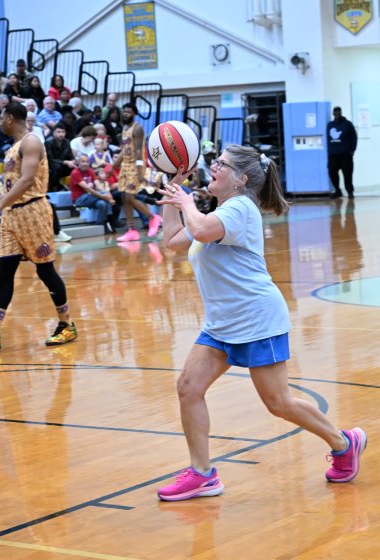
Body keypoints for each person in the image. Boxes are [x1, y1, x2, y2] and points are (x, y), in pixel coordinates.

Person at [156, 144, 366, 501]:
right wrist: (174, 199)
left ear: (240, 178)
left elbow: (203, 230)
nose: (213, 166)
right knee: (188, 388)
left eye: (220, 164)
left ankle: (344, 442)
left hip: (257, 321)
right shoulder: (220, 209)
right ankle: (202, 473)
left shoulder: (241, 209)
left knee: (278, 403)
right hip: (221, 324)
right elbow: (174, 242)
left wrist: (187, 203)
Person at [0, 102, 77, 352]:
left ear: (10, 118)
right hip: (13, 215)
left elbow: (27, 181)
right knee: (4, 270)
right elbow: (14, 184)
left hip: (33, 211)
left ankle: (66, 324)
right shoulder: (13, 147)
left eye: (1, 117)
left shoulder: (31, 142)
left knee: (45, 271)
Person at [114, 102, 161, 242]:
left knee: (130, 197)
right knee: (123, 197)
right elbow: (124, 150)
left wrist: (141, 171)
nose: (125, 114)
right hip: (125, 166)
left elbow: (140, 151)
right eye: (124, 111)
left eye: (128, 112)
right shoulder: (124, 128)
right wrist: (113, 167)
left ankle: (153, 217)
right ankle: (131, 230)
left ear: (134, 113)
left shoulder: (137, 128)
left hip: (135, 166)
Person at [70, 154, 116, 233]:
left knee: (102, 204)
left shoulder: (90, 170)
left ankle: (100, 224)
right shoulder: (75, 173)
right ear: (78, 162)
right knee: (103, 198)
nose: (85, 164)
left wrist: (106, 195)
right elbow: (87, 188)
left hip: (92, 197)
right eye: (83, 162)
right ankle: (111, 222)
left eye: (87, 162)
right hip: (80, 199)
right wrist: (105, 196)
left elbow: (98, 185)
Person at [327, 106, 357, 198]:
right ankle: (337, 190)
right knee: (332, 173)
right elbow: (328, 139)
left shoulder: (348, 124)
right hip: (333, 155)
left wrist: (352, 151)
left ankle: (350, 191)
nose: (337, 114)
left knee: (347, 175)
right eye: (335, 113)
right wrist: (329, 151)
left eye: (339, 113)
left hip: (345, 155)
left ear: (341, 113)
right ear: (333, 114)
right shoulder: (330, 125)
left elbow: (354, 138)